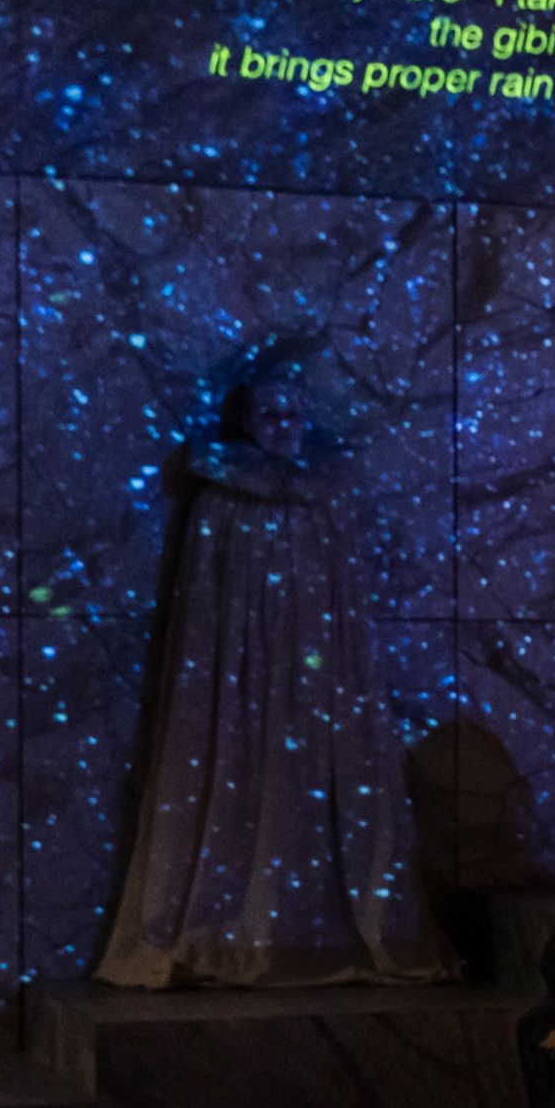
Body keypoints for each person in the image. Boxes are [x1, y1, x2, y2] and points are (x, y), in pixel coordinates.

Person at [95, 333, 452, 989]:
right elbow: (208, 612)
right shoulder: (224, 498)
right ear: (246, 422)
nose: (283, 428)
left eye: (293, 414)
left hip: (321, 680)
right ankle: (229, 932)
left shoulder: (327, 499)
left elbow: (345, 600)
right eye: (269, 415)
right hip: (240, 681)